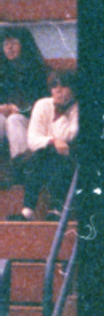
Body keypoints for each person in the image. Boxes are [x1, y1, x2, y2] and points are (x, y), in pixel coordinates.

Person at [10, 70, 75, 221]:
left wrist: (62, 110)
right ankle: (28, 212)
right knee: (42, 154)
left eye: (63, 86)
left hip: (69, 160)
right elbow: (33, 140)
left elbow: (69, 135)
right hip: (43, 158)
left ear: (73, 90)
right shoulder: (42, 104)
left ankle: (53, 210)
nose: (58, 90)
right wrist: (53, 141)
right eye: (54, 86)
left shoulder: (78, 109)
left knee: (55, 158)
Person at [0, 29, 47, 180]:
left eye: (14, 43)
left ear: (24, 46)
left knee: (14, 120)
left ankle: (21, 169)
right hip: (5, 117)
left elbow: (42, 104)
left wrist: (20, 110)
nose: (9, 48)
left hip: (29, 120)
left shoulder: (37, 71)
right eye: (6, 44)